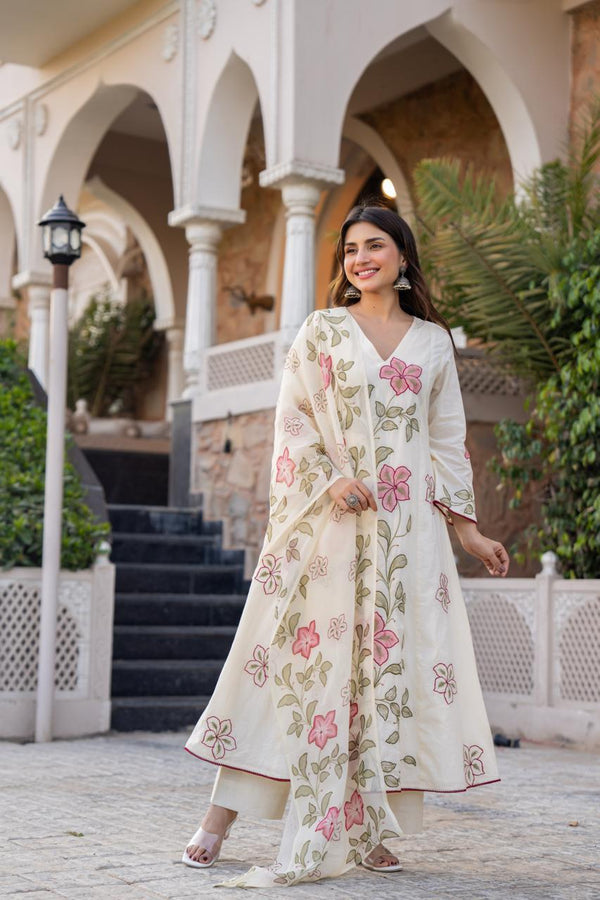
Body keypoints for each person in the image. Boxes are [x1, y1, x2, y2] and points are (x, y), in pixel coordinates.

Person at [182, 204, 509, 888]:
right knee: (293, 669)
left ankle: (371, 823)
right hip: (330, 532)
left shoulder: (433, 343)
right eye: (351, 249)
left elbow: (447, 441)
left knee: (392, 678)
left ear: (402, 256)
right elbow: (293, 416)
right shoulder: (323, 331)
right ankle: (218, 819)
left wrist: (468, 529)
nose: (361, 258)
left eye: (376, 246)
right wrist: (329, 479)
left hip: (406, 543)